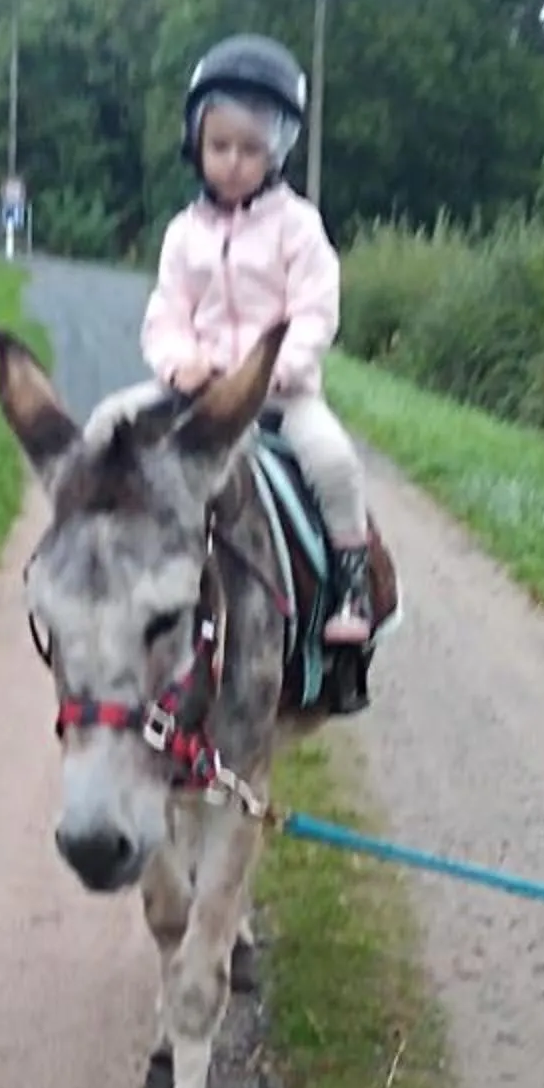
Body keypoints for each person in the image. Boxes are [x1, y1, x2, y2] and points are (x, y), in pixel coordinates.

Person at [143, 33, 375, 645]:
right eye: (219, 146)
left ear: (279, 151)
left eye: (251, 148)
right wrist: (178, 365)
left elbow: (315, 312)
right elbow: (165, 315)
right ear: (196, 143)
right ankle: (114, 570)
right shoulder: (182, 234)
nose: (233, 162)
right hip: (198, 398)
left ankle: (351, 587)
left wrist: (275, 370)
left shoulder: (298, 227)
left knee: (335, 462)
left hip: (281, 396)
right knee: (115, 436)